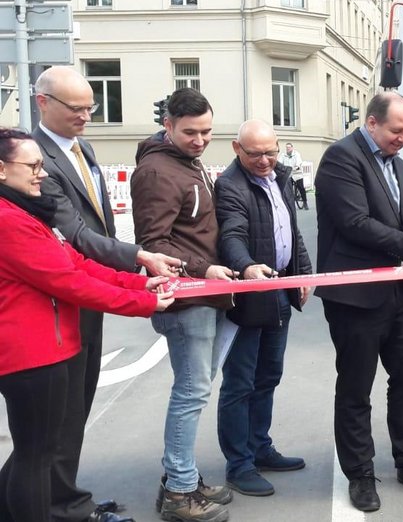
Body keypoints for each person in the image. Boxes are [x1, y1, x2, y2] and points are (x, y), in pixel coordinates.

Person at [31, 66, 182, 522]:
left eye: (90, 107)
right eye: (75, 108)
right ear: (42, 103)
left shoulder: (83, 148)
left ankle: (61, 498)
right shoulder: (36, 161)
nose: (86, 116)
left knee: (76, 408)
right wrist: (139, 257)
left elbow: (99, 225)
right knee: (58, 418)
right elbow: (76, 235)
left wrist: (128, 271)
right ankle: (60, 506)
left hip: (89, 293)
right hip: (59, 304)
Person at [0, 128, 173, 522]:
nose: (42, 173)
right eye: (33, 166)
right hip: (32, 354)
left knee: (34, 452)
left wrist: (138, 283)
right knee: (36, 456)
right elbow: (69, 282)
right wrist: (142, 303)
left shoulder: (24, 212)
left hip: (44, 349)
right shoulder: (10, 221)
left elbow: (76, 264)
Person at [314, 93, 403, 507]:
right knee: (356, 388)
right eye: (396, 130)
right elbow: (355, 223)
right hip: (356, 298)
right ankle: (361, 474)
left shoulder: (402, 167)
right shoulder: (341, 158)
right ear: (371, 123)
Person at [132, 88, 238, 522]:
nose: (200, 140)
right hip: (186, 298)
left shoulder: (185, 162)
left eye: (207, 131)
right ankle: (179, 491)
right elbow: (153, 242)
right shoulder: (157, 171)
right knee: (191, 392)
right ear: (168, 125)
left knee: (196, 389)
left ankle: (182, 478)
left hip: (203, 294)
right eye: (190, 132)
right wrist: (203, 268)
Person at [213, 120, 313, 496]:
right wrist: (245, 266)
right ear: (237, 148)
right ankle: (239, 464)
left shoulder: (280, 177)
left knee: (268, 376)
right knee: (240, 383)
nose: (264, 160)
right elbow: (232, 234)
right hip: (248, 297)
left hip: (280, 291)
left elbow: (291, 232)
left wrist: (303, 273)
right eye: (255, 153)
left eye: (270, 152)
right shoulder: (230, 185)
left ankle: (260, 448)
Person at [277, 142, 307, 210]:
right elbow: (280, 162)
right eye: (287, 147)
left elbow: (299, 162)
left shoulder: (296, 154)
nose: (288, 149)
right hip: (288, 174)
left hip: (297, 173)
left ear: (292, 148)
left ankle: (305, 202)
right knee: (287, 187)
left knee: (301, 187)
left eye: (289, 147)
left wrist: (297, 166)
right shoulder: (283, 155)